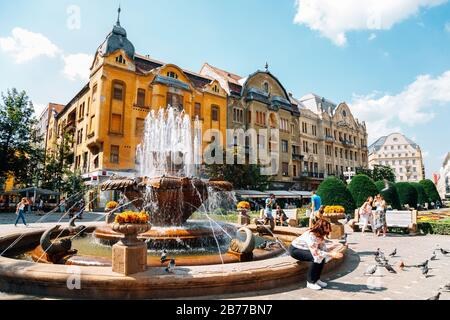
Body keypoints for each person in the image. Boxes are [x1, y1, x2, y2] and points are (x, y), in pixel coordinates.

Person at [289, 218, 343, 290]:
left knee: (322, 257)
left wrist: (331, 249)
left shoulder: (319, 235)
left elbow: (322, 248)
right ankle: (310, 282)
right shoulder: (310, 236)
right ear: (320, 228)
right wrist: (332, 254)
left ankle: (316, 279)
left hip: (305, 248)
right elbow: (316, 253)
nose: (327, 233)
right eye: (326, 230)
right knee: (316, 258)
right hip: (295, 250)